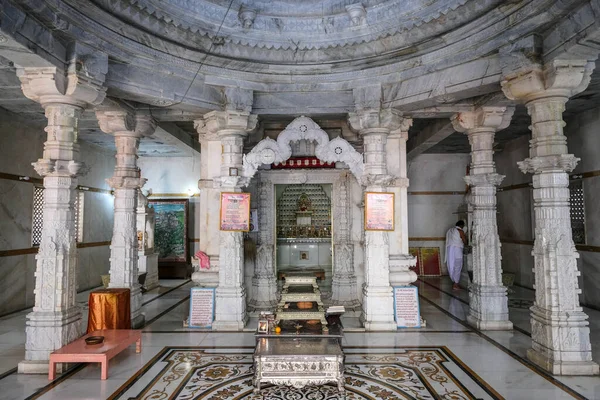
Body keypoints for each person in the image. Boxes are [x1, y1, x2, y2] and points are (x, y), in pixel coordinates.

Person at [445, 220, 468, 290]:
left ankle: (454, 281)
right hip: (457, 250)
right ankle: (456, 284)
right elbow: (465, 241)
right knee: (458, 266)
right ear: (461, 226)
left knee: (451, 265)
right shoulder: (460, 231)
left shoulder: (449, 230)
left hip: (450, 250)